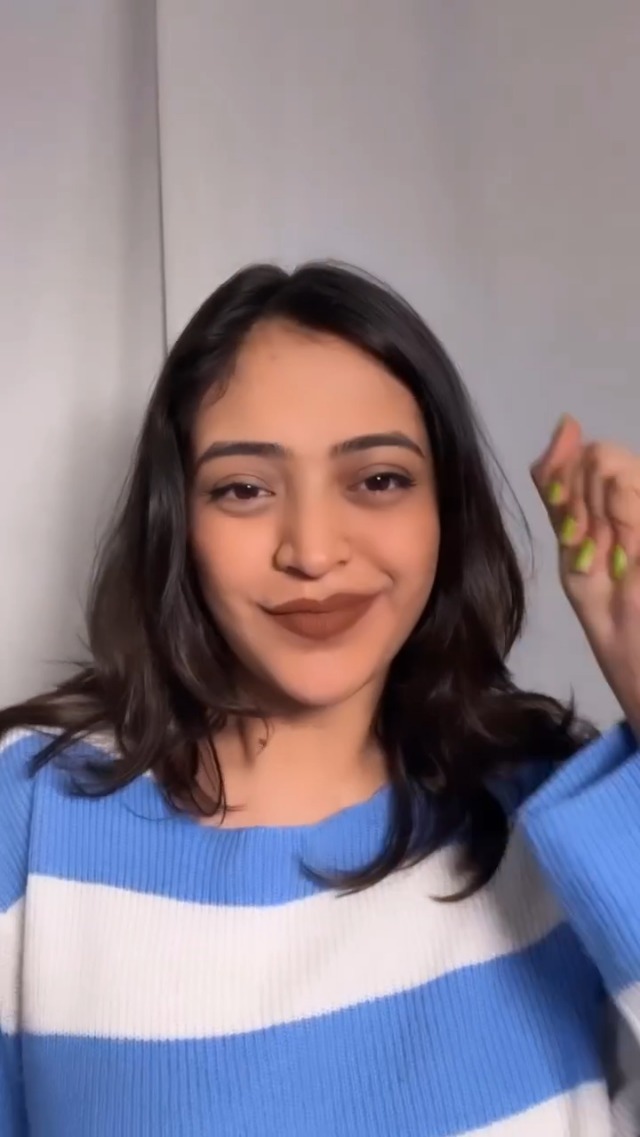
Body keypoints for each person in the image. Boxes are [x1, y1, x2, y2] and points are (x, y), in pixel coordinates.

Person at [0, 261, 639, 1137]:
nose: (311, 550)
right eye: (244, 488)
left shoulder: (562, 809)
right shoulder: (30, 811)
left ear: (446, 509)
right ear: (177, 520)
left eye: (378, 479)